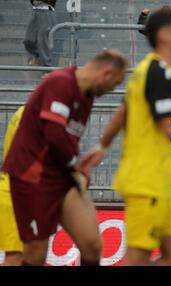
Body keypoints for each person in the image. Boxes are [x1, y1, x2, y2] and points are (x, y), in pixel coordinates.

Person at [78, 6, 171, 266]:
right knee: (137, 258)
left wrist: (102, 146)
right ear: (165, 36)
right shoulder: (158, 72)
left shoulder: (149, 71)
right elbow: (168, 127)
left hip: (159, 185)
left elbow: (123, 111)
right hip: (146, 182)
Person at [1, 49, 128, 266]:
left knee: (92, 245)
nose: (112, 90)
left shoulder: (86, 97)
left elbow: (67, 140)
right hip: (32, 179)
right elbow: (54, 135)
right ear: (106, 73)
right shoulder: (61, 82)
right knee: (34, 255)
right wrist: (75, 166)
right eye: (114, 84)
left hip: (61, 178)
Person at [0, 107, 25, 266]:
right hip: (16, 196)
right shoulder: (37, 116)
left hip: (15, 191)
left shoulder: (24, 112)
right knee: (15, 259)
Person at [24, 0, 57, 66]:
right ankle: (37, 55)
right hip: (35, 11)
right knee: (28, 40)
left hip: (47, 11)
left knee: (43, 41)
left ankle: (47, 69)